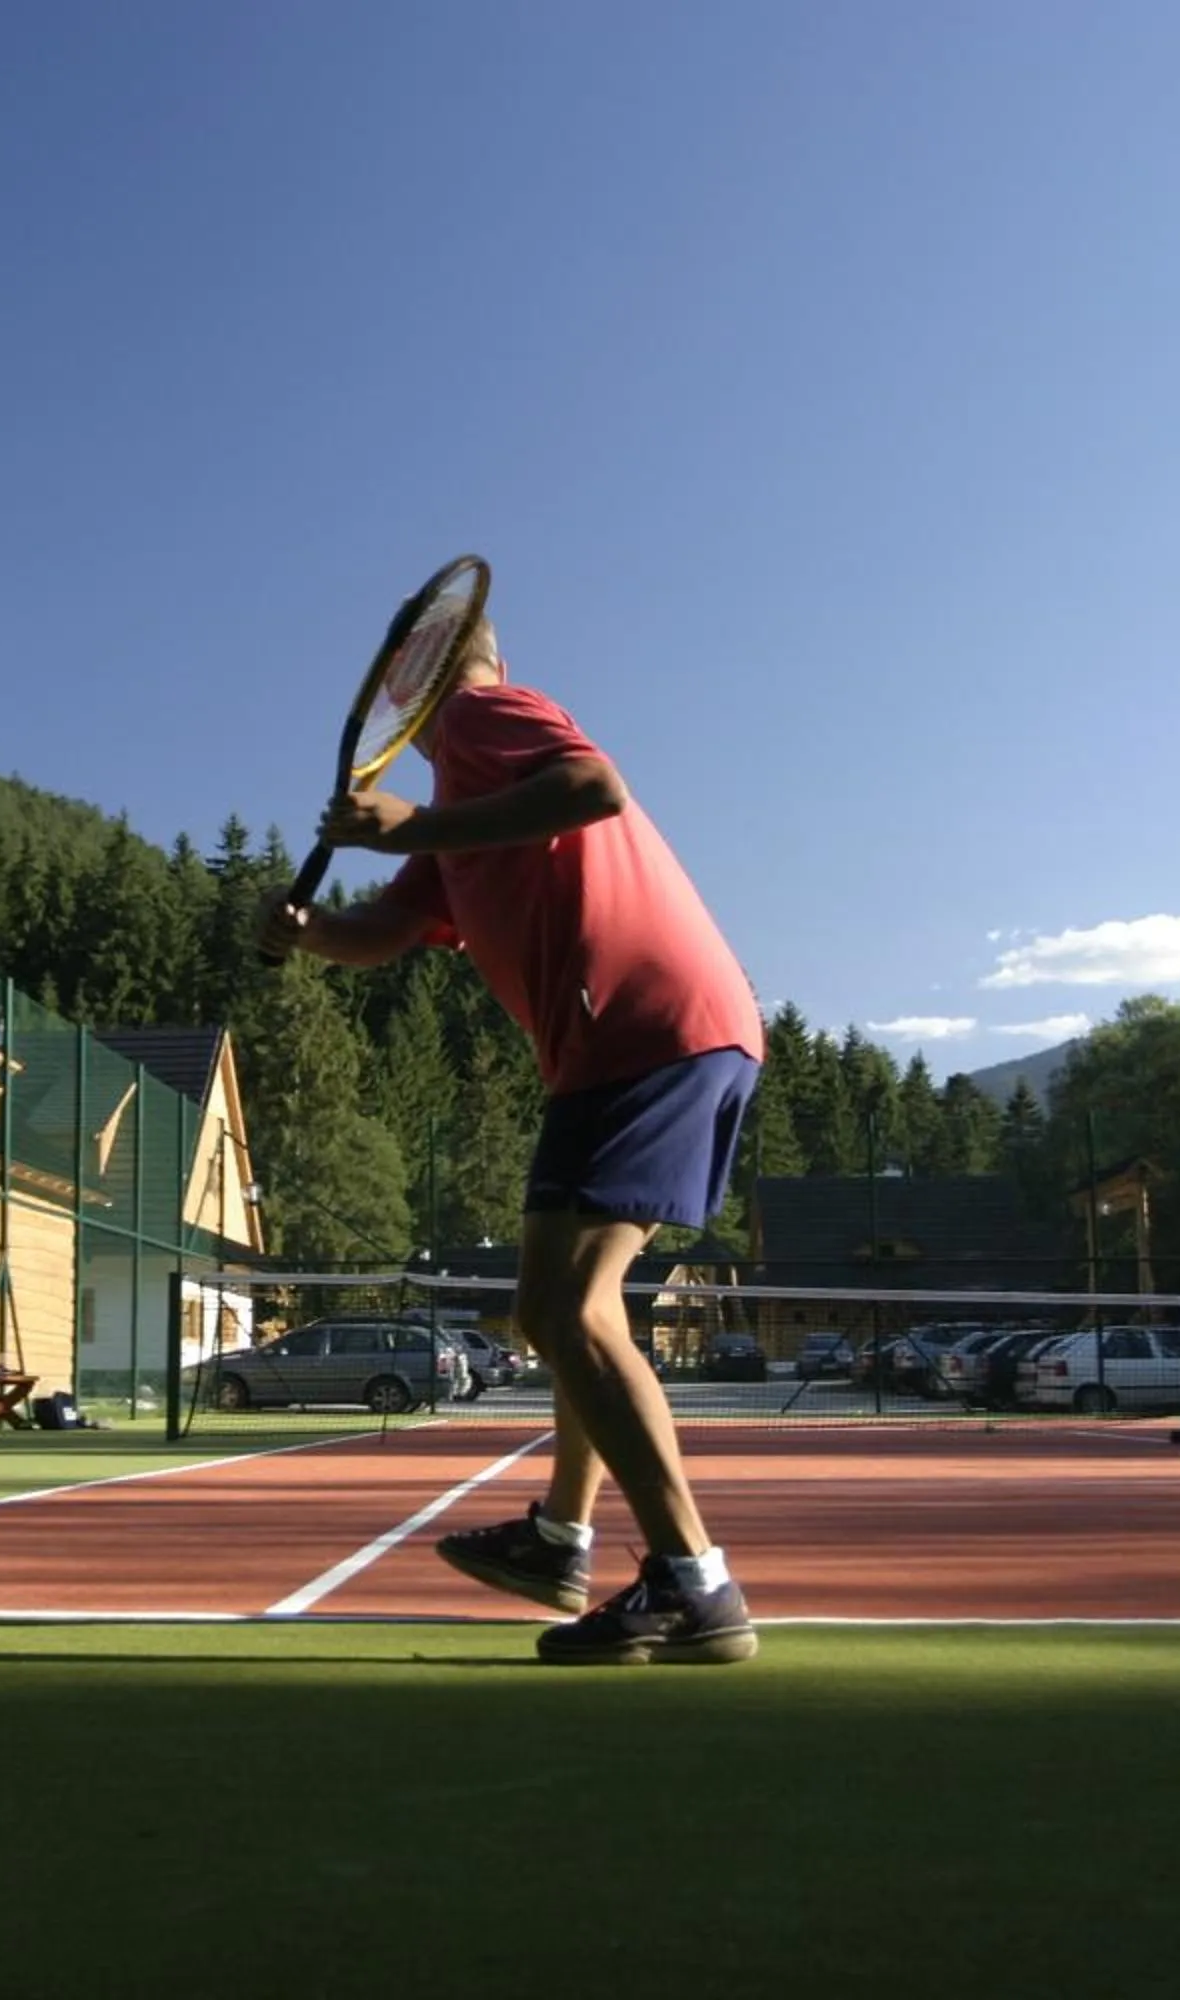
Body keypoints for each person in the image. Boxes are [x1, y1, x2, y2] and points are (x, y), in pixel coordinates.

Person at [260, 612, 764, 1665]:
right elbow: (384, 933)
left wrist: (406, 825)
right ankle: (558, 1539)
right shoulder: (462, 811)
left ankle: (694, 1583)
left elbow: (594, 787)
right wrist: (309, 935)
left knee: (563, 1307)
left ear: (430, 673)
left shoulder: (487, 715)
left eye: (414, 660)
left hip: (651, 1029)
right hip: (619, 1049)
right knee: (570, 1309)